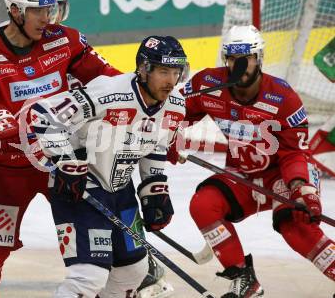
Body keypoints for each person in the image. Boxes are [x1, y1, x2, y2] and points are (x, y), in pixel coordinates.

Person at [0, 0, 121, 297]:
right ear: (15, 10)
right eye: (38, 11)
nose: (48, 19)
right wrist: (9, 124)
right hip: (8, 171)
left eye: (50, 10)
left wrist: (143, 98)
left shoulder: (66, 40)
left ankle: (132, 274)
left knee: (98, 242)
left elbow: (108, 81)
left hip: (63, 164)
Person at [168, 25, 335, 297]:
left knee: (297, 227)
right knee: (203, 205)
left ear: (259, 58)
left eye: (247, 59)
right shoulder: (208, 84)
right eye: (233, 59)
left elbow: (294, 153)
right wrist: (170, 134)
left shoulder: (283, 98)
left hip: (281, 173)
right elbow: (177, 112)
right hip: (241, 174)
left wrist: (302, 189)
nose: (239, 65)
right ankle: (244, 279)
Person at [30, 35, 188, 297]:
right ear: (144, 69)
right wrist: (67, 161)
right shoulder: (109, 91)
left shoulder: (176, 105)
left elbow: (156, 144)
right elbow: (45, 115)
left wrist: (154, 188)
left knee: (134, 271)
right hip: (82, 188)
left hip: (120, 190)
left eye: (175, 72)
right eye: (163, 71)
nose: (171, 80)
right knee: (89, 276)